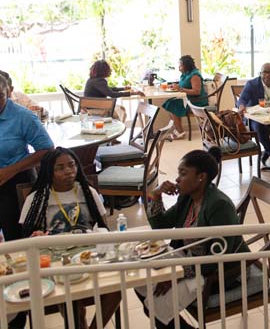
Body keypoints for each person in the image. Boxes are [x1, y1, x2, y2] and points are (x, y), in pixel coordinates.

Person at [135, 148, 249, 329]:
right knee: (141, 280)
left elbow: (220, 256)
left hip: (219, 271)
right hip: (190, 259)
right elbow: (161, 226)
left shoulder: (219, 205)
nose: (177, 179)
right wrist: (156, 195)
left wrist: (178, 274)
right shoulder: (188, 197)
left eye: (183, 173)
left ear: (201, 177)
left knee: (155, 308)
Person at [19, 148, 118, 329]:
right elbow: (27, 240)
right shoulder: (36, 198)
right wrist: (37, 235)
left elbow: (104, 227)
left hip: (88, 257)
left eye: (72, 165)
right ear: (49, 172)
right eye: (60, 168)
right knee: (69, 296)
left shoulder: (87, 192)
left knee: (115, 289)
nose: (68, 171)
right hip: (57, 261)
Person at [0, 75, 53, 241]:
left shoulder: (23, 117)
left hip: (14, 184)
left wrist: (11, 170)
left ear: (8, 92)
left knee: (16, 239)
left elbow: (47, 149)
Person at [237, 63, 270, 167]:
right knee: (260, 128)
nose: (267, 75)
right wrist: (241, 106)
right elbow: (242, 99)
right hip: (255, 119)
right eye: (265, 72)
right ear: (260, 74)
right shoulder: (252, 84)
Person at [162, 55, 208, 140]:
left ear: (186, 66)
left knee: (173, 104)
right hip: (188, 99)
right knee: (169, 102)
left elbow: (196, 91)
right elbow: (183, 86)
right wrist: (175, 87)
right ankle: (178, 130)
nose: (179, 68)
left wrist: (180, 89)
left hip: (196, 101)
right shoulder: (185, 74)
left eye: (181, 66)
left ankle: (180, 132)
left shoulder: (195, 75)